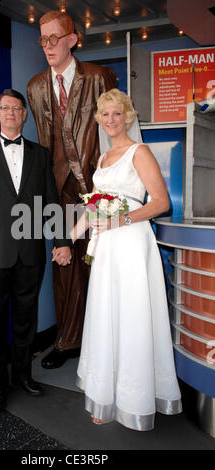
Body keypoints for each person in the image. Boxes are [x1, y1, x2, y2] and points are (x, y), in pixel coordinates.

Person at [71, 88, 182, 431]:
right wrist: (72, 233)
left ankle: (133, 399)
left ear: (128, 117)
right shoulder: (102, 160)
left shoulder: (140, 152)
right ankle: (107, 394)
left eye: (117, 113)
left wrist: (121, 220)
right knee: (107, 312)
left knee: (132, 315)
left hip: (132, 242)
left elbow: (161, 203)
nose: (110, 120)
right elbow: (94, 204)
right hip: (106, 247)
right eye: (104, 115)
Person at [0, 89, 71, 411]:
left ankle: (24, 375)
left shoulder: (41, 155)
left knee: (25, 321)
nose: (11, 112)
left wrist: (62, 241)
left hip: (30, 253)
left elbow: (50, 202)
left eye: (17, 108)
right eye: (5, 107)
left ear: (24, 115)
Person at [27, 10, 118, 369]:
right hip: (57, 189)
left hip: (98, 186)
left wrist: (111, 184)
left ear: (72, 39)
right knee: (64, 265)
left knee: (100, 262)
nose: (48, 46)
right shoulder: (35, 86)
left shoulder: (99, 77)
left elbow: (114, 129)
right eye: (42, 39)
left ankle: (103, 342)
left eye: (54, 38)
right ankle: (66, 341)